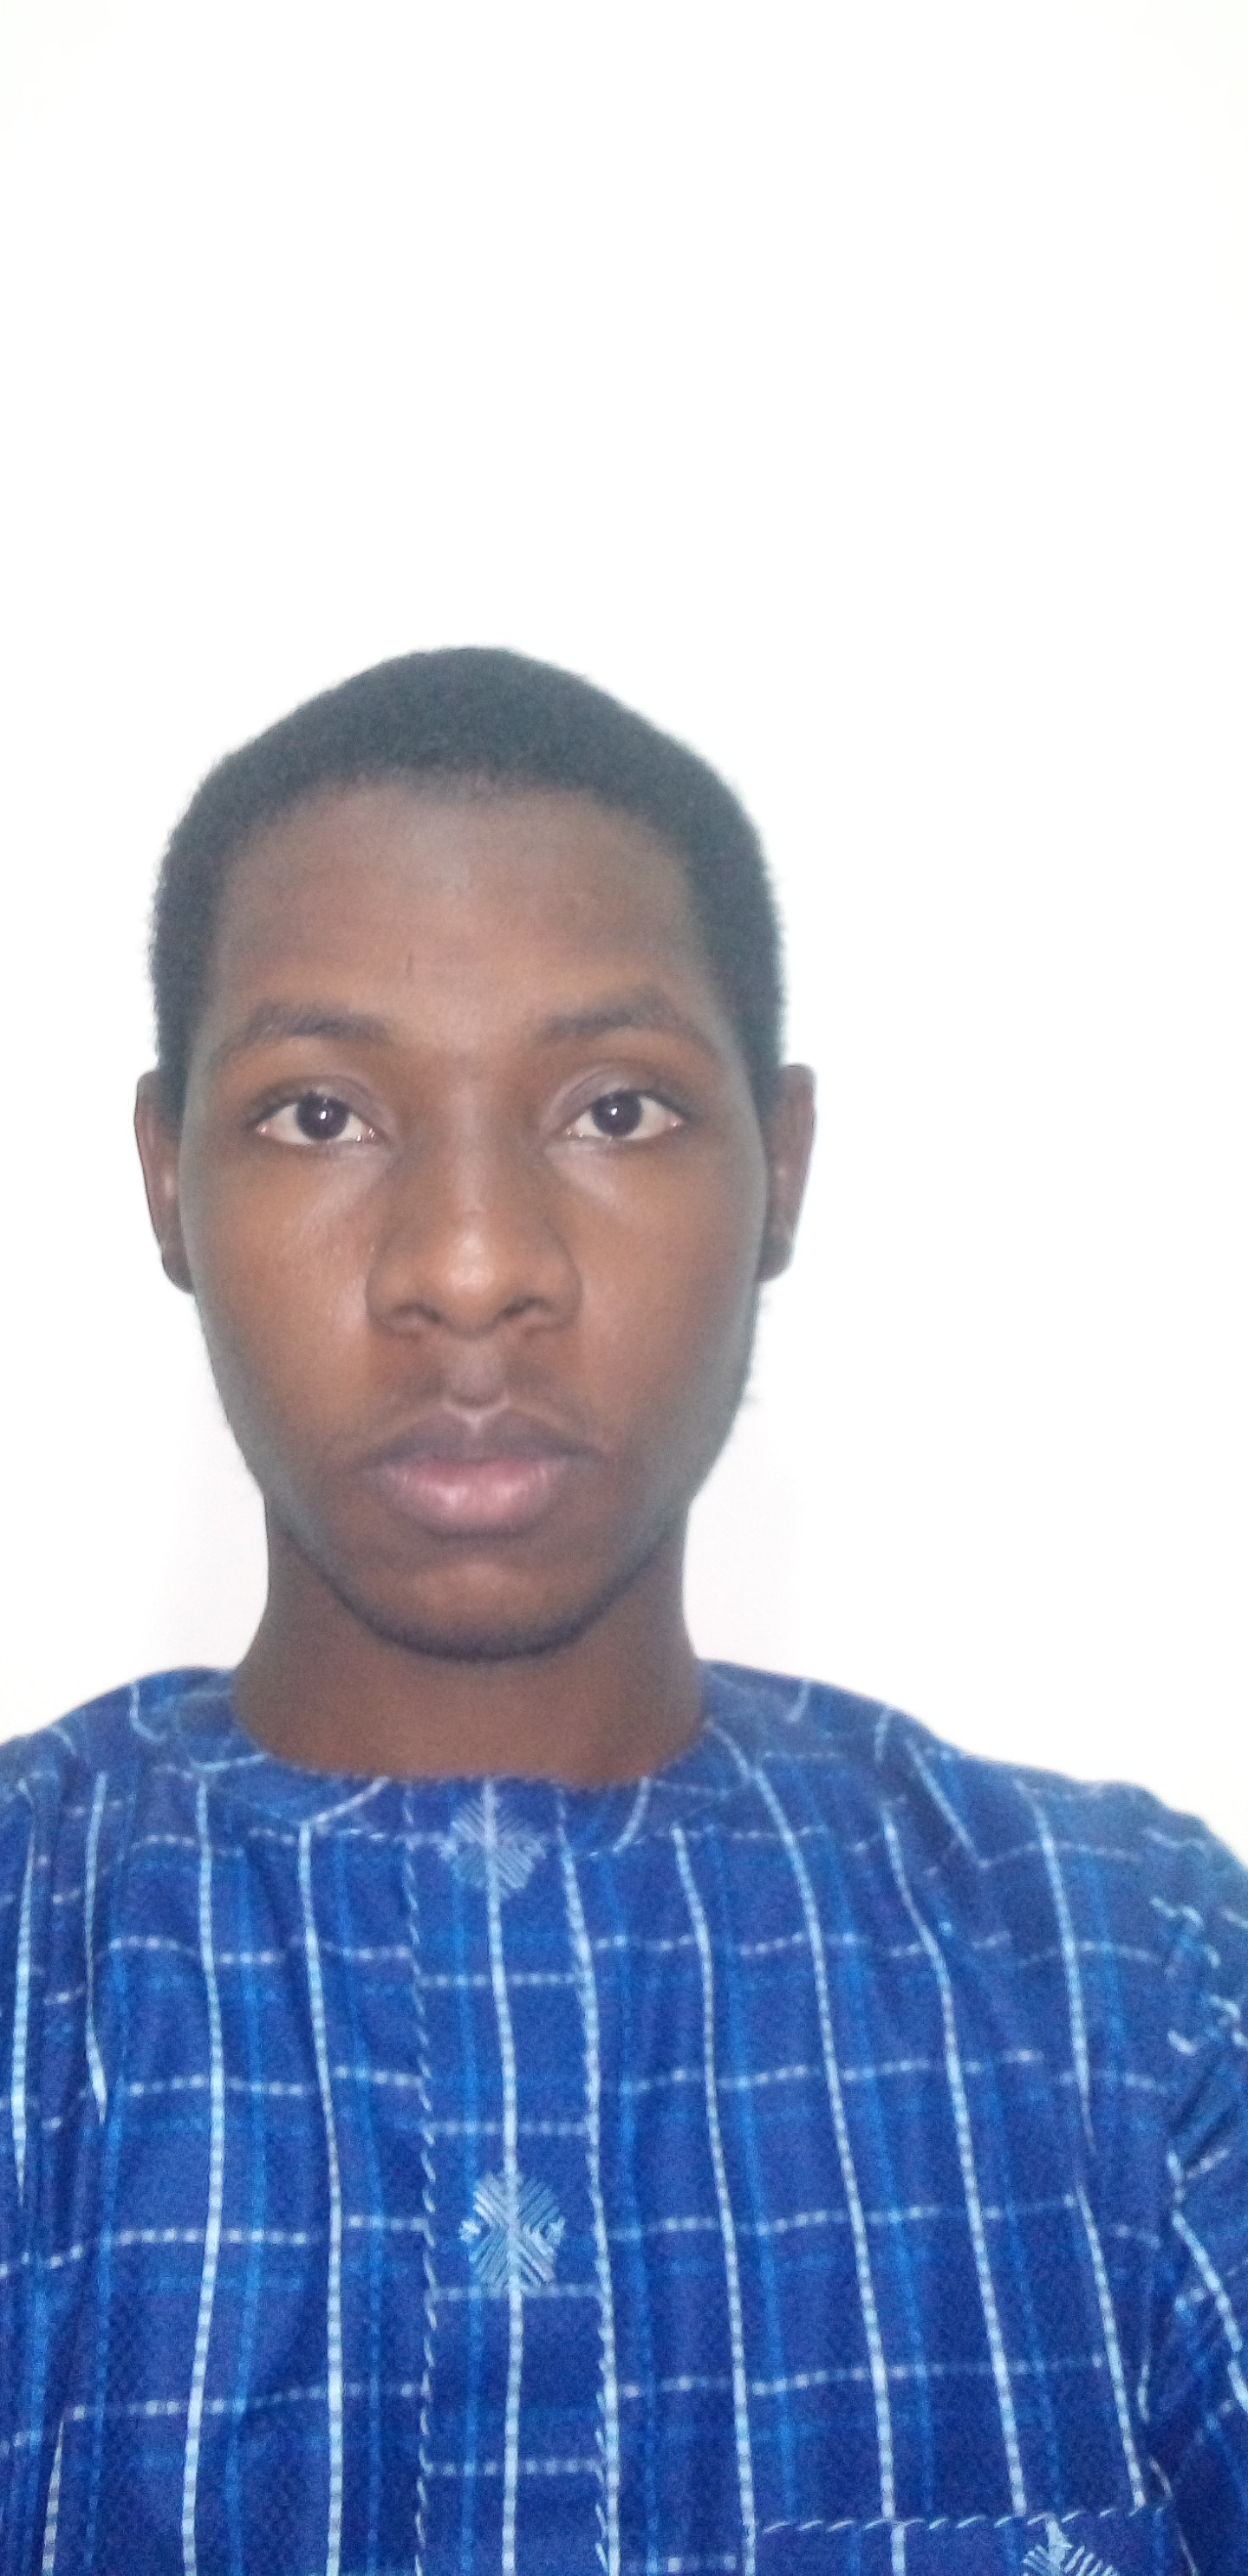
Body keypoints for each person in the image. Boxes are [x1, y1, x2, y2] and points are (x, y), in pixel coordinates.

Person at [0, 650, 1244, 2576]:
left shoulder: (1136, 1988)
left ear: (782, 1171)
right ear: (166, 1180)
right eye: (320, 1113)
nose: (470, 1264)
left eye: (617, 1108)